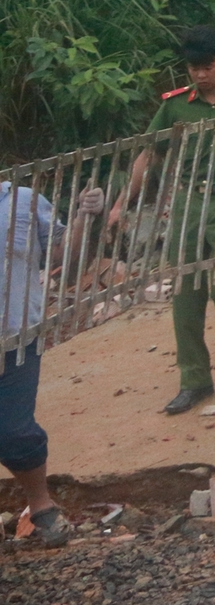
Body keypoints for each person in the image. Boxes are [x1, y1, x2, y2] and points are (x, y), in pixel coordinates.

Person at [114, 27, 215, 414]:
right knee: (186, 292)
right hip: (188, 203)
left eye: (207, 67)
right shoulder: (175, 106)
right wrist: (121, 203)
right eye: (193, 68)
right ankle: (194, 379)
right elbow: (150, 154)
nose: (200, 75)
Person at [0, 170, 104, 546]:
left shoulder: (22, 202)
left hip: (16, 341)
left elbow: (65, 257)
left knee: (14, 431)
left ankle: (41, 506)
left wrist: (84, 217)